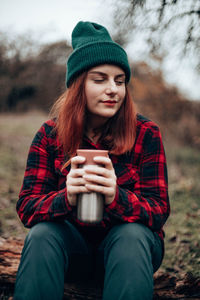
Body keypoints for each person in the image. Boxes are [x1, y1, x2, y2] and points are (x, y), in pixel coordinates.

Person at [14, 21, 170, 300]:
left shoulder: (146, 133)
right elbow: (27, 207)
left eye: (119, 81)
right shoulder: (50, 135)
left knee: (131, 236)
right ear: (78, 85)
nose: (113, 89)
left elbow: (158, 211)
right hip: (72, 250)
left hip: (128, 252)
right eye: (100, 79)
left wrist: (116, 196)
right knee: (42, 235)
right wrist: (66, 197)